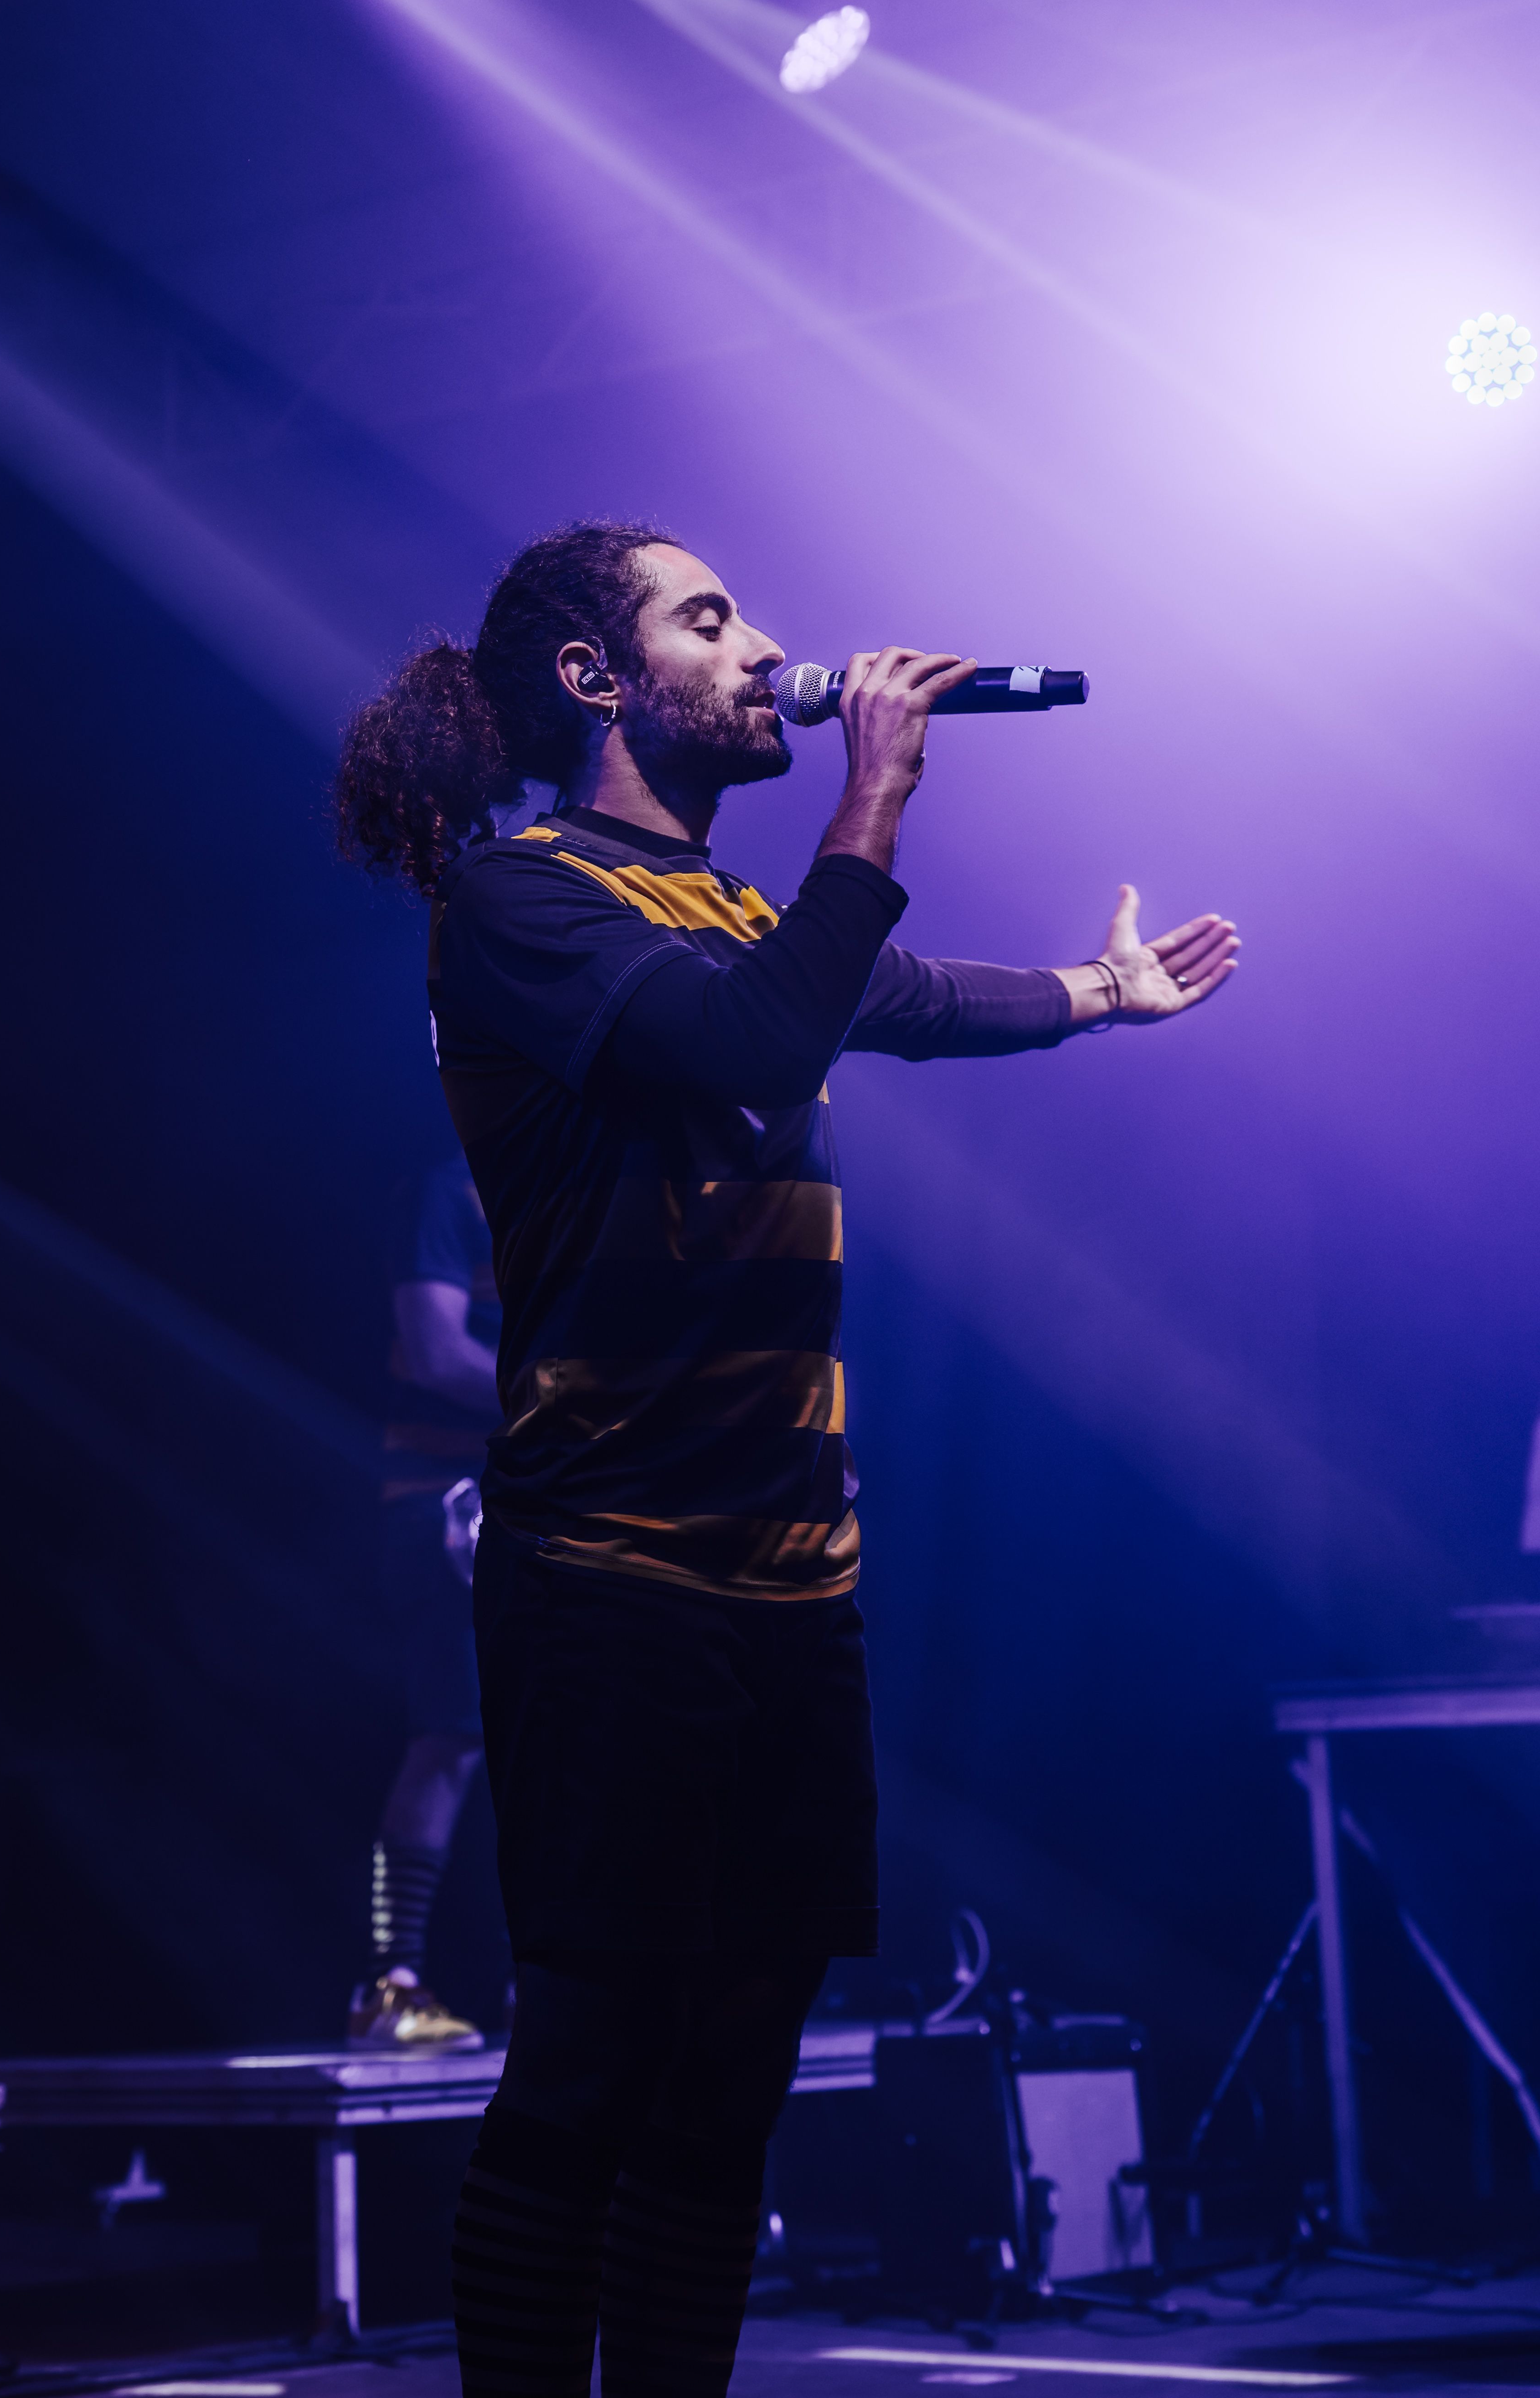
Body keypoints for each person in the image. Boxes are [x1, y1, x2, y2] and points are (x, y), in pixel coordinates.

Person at [334, 520, 1238, 2398]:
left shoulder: (740, 908)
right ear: (596, 677)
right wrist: (874, 799)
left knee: (731, 2080)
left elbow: (909, 1002)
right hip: (612, 1574)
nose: (766, 651)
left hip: (789, 1580)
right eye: (709, 619)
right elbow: (749, 1044)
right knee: (590, 2066)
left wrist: (1101, 993)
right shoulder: (520, 901)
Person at [346, 1148, 501, 2050]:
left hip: (554, 1508)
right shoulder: (447, 1192)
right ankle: (386, 1985)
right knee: (452, 1739)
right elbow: (439, 1352)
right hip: (450, 1508)